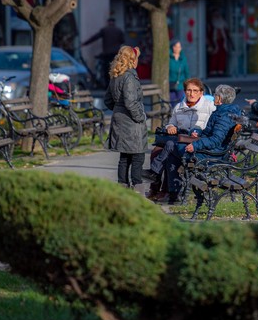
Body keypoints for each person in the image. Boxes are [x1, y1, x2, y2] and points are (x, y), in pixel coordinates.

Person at [143, 84, 241, 204]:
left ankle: (158, 176)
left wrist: (195, 145)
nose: (214, 97)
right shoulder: (222, 112)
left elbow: (215, 140)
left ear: (220, 99)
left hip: (211, 154)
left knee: (170, 145)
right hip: (209, 149)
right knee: (171, 152)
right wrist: (197, 131)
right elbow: (208, 134)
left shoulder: (224, 116)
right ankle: (173, 194)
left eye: (215, 95)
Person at [146, 77, 215, 201]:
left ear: (201, 92)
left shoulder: (209, 105)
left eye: (195, 90)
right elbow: (171, 123)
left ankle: (166, 190)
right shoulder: (179, 106)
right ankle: (155, 189)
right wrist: (171, 127)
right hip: (179, 138)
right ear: (184, 91)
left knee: (169, 151)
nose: (191, 93)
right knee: (156, 152)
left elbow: (214, 125)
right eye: (188, 90)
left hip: (197, 141)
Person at [104, 45, 148, 191]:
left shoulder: (116, 75)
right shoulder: (129, 77)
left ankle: (122, 188)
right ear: (132, 60)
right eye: (136, 58)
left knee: (125, 157)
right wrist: (140, 117)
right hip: (131, 122)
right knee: (137, 156)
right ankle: (137, 189)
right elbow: (130, 102)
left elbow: (108, 100)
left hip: (120, 119)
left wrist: (118, 110)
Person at [82, 17, 125, 87]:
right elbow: (122, 41)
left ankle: (107, 85)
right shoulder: (119, 30)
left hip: (107, 54)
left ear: (108, 22)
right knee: (116, 69)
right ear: (114, 22)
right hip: (116, 53)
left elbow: (95, 37)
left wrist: (85, 43)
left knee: (106, 69)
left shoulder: (104, 30)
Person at [207, 10, 231, 76]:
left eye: (218, 15)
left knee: (222, 57)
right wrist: (209, 44)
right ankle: (213, 72)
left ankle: (221, 71)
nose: (217, 16)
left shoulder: (223, 24)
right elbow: (207, 35)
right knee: (214, 58)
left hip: (223, 43)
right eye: (215, 15)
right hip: (214, 43)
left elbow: (227, 33)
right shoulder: (211, 25)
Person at [169, 40, 190, 104]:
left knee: (181, 103)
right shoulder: (168, 58)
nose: (177, 49)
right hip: (171, 85)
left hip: (181, 84)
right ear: (173, 47)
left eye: (179, 47)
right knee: (172, 103)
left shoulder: (183, 58)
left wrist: (188, 84)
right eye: (176, 46)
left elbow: (187, 72)